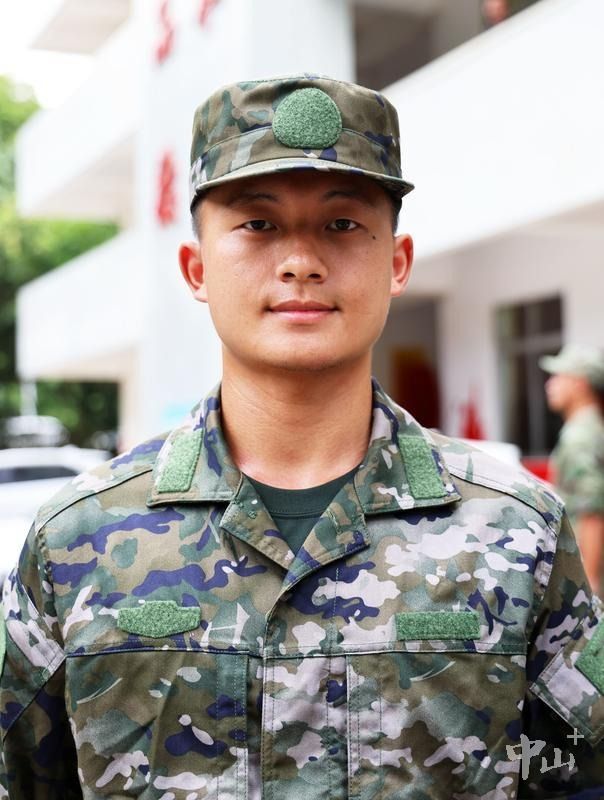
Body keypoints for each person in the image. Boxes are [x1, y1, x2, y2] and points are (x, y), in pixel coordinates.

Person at [1, 74, 603, 799]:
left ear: (397, 263)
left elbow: (578, 775)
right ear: (196, 268)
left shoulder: (519, 530)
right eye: (258, 225)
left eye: (342, 224)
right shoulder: (77, 538)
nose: (301, 262)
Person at [541, 344, 604, 594]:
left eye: (558, 377)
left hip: (585, 568)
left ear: (580, 383)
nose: (550, 384)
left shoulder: (580, 436)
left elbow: (592, 509)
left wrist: (588, 586)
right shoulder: (591, 428)